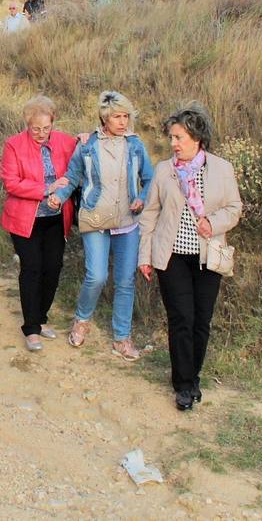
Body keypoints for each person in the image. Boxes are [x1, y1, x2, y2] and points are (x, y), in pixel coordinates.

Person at [137, 104, 242, 411]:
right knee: (181, 319)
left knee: (201, 322)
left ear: (197, 138)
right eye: (171, 137)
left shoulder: (222, 169)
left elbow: (234, 208)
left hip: (208, 257)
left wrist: (214, 223)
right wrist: (146, 256)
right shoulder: (164, 171)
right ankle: (183, 385)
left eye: (179, 137)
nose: (173, 144)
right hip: (172, 257)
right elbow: (150, 215)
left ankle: (193, 376)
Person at [52, 92, 154, 360]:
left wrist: (142, 199)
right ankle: (82, 320)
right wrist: (58, 197)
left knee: (125, 280)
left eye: (125, 116)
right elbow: (73, 176)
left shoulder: (135, 145)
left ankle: (122, 338)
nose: (122, 122)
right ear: (104, 118)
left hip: (127, 222)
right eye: (116, 117)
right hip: (95, 219)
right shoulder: (88, 145)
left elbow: (150, 179)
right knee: (96, 276)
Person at [0, 96, 77, 351]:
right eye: (36, 129)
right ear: (27, 123)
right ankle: (30, 328)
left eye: (46, 128)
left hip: (56, 218)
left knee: (53, 268)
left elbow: (82, 152)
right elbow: (11, 182)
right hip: (25, 220)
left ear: (53, 122)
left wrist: (88, 137)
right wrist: (46, 188)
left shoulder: (64, 141)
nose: (41, 134)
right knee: (32, 269)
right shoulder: (13, 145)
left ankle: (41, 318)